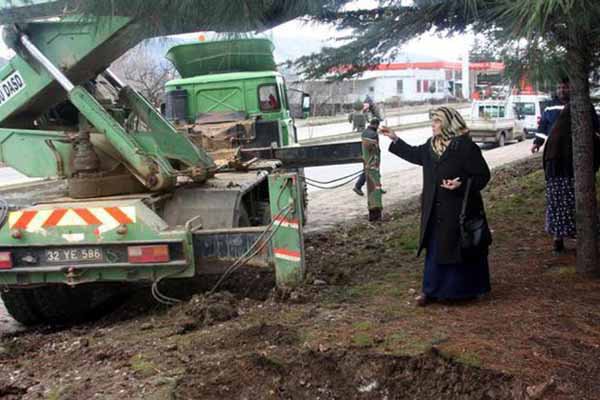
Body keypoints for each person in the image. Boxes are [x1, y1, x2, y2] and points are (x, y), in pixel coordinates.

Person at [380, 106, 492, 306]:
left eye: (437, 121)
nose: (433, 125)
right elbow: (414, 155)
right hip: (435, 208)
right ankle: (430, 290)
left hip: (460, 209)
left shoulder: (465, 147)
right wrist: (395, 139)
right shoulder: (431, 145)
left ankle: (462, 291)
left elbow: (483, 176)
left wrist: (462, 184)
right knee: (435, 248)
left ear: (449, 123)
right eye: (433, 121)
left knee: (461, 248)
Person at [531, 77, 600, 255]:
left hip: (574, 160)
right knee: (558, 201)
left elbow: (596, 128)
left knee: (575, 199)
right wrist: (537, 142)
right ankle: (559, 239)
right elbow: (543, 128)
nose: (562, 90)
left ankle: (578, 236)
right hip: (557, 160)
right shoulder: (550, 107)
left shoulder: (583, 106)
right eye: (560, 87)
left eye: (566, 87)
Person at [355, 118, 384, 222]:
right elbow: (376, 147)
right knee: (372, 174)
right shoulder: (373, 134)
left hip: (367, 158)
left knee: (369, 173)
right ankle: (359, 186)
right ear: (376, 124)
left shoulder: (365, 132)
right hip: (372, 159)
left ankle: (360, 186)